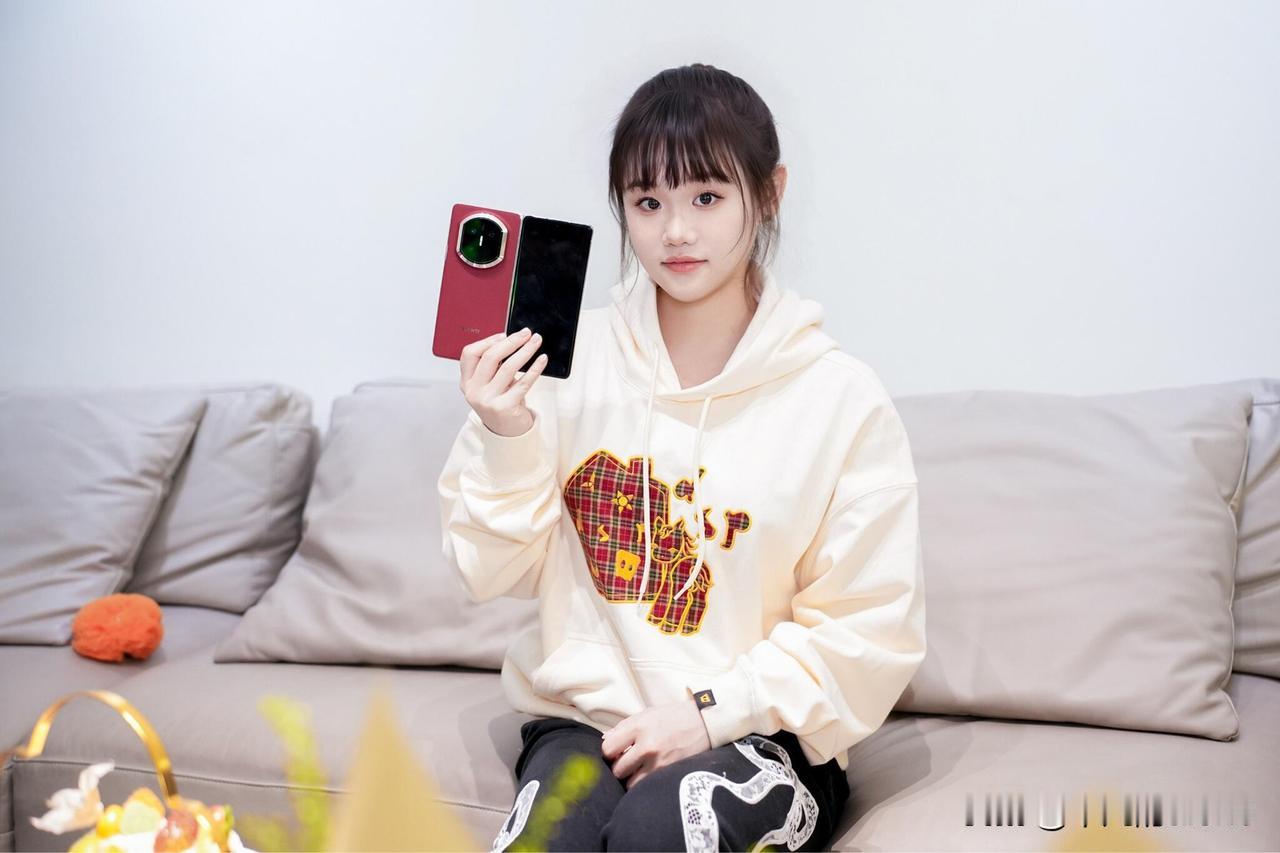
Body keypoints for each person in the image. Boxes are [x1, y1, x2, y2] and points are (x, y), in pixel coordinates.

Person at [438, 62, 926, 853]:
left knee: (663, 828)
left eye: (706, 197)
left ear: (769, 193)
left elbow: (869, 629)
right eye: (647, 202)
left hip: (760, 736)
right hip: (586, 725)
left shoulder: (841, 399)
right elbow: (485, 572)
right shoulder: (561, 365)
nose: (675, 232)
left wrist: (709, 712)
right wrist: (506, 434)